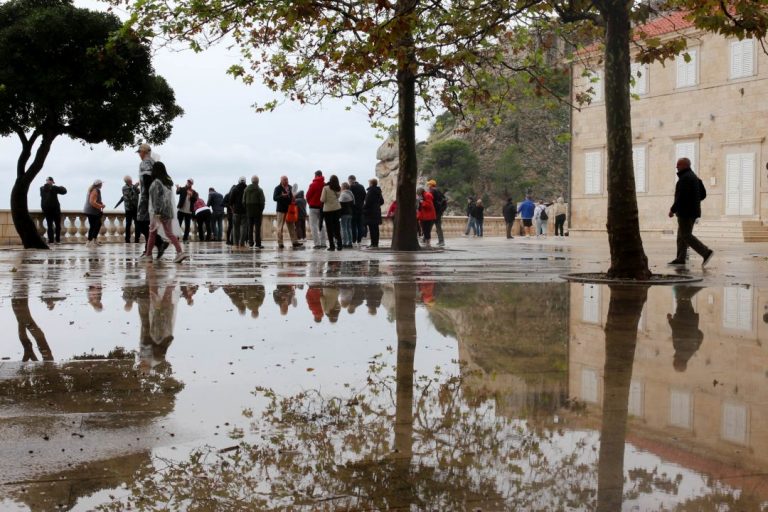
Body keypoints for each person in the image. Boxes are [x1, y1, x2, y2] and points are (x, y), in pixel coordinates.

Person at [668, 157, 714, 267]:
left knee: (686, 235)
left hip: (686, 212)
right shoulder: (694, 178)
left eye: (678, 165)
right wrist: (694, 202)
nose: (676, 167)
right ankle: (680, 258)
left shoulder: (685, 179)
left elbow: (681, 197)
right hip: (692, 211)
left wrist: (672, 210)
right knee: (681, 235)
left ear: (685, 166)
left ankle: (706, 252)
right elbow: (702, 195)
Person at [140, 162, 187, 263]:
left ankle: (149, 255)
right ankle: (179, 252)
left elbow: (155, 200)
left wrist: (157, 213)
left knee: (152, 233)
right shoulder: (167, 182)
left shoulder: (156, 183)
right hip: (168, 211)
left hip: (158, 212)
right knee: (168, 232)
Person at [135, 143, 167, 256]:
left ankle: (158, 242)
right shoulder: (154, 162)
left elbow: (148, 180)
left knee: (141, 223)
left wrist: (150, 200)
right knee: (149, 224)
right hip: (154, 197)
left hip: (146, 199)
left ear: (143, 152)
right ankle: (148, 250)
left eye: (139, 152)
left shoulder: (144, 163)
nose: (139, 154)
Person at [667, 286, 704, 372]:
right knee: (682, 299)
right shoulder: (678, 348)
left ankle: (686, 285)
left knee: (685, 300)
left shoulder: (694, 349)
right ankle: (698, 286)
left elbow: (701, 335)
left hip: (691, 319)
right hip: (681, 318)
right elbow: (676, 330)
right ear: (677, 361)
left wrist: (694, 329)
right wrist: (670, 320)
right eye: (674, 362)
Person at [274, 175, 301, 249]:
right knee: (280, 228)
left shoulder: (290, 187)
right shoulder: (278, 188)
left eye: (287, 179)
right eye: (285, 180)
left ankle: (294, 242)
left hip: (289, 210)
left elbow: (293, 197)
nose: (286, 181)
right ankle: (280, 243)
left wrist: (294, 199)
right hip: (281, 210)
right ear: (281, 181)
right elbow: (274, 198)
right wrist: (282, 196)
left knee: (291, 226)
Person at [40, 176, 67, 245]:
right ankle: (56, 240)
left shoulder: (42, 188)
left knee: (51, 226)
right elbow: (64, 191)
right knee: (57, 225)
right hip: (54, 209)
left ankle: (51, 241)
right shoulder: (54, 188)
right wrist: (61, 187)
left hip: (47, 209)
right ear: (52, 181)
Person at [321, 175, 343, 251]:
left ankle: (332, 246)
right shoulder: (338, 188)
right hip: (337, 209)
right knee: (337, 228)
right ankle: (340, 245)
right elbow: (338, 197)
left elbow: (322, 199)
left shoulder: (326, 188)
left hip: (327, 210)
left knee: (329, 229)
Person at [114, 176, 139, 243]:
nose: (131, 181)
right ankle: (127, 239)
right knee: (128, 224)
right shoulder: (124, 188)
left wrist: (135, 187)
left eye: (131, 180)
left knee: (137, 224)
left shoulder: (133, 186)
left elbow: (138, 192)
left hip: (136, 208)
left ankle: (137, 239)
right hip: (129, 208)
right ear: (127, 181)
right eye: (130, 180)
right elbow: (130, 197)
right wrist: (134, 187)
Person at [306, 170, 327, 249]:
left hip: (313, 207)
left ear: (315, 176)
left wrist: (310, 203)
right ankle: (323, 243)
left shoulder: (313, 184)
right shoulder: (325, 185)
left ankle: (317, 243)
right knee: (321, 225)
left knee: (313, 226)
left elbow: (308, 196)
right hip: (322, 207)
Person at [243, 175, 265, 248]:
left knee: (250, 227)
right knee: (257, 228)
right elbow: (262, 201)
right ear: (258, 181)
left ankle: (250, 243)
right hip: (257, 211)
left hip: (249, 211)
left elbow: (243, 201)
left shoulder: (246, 189)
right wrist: (261, 209)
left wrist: (246, 208)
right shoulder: (259, 190)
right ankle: (258, 243)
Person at [363, 178, 385, 248]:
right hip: (377, 211)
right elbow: (382, 201)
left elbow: (367, 202)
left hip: (370, 212)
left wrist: (363, 208)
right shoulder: (378, 191)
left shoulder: (370, 191)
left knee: (372, 228)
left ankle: (373, 243)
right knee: (376, 228)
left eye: (369, 183)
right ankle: (376, 243)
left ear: (371, 183)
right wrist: (376, 205)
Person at [83, 180, 105, 247]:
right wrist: (101, 206)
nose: (102, 185)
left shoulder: (93, 189)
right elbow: (92, 202)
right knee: (95, 225)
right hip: (92, 211)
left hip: (90, 211)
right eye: (101, 184)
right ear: (99, 184)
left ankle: (93, 240)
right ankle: (90, 241)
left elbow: (95, 200)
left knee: (96, 225)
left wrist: (100, 203)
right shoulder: (95, 190)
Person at [427, 179, 447, 247]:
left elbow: (431, 202)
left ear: (431, 185)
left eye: (429, 184)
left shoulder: (433, 191)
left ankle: (426, 239)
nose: (428, 186)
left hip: (434, 212)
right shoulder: (438, 191)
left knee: (428, 226)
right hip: (438, 212)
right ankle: (441, 241)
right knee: (438, 227)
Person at [348, 175, 367, 244]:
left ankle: (354, 239)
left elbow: (349, 198)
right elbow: (365, 197)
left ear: (350, 180)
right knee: (360, 225)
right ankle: (359, 239)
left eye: (349, 181)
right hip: (361, 208)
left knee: (353, 225)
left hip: (353, 209)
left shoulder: (351, 187)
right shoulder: (361, 186)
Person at [230, 177, 247, 247]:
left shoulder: (235, 189)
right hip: (245, 211)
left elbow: (230, 201)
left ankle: (236, 243)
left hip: (236, 211)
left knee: (235, 228)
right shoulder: (247, 188)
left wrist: (232, 210)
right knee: (244, 228)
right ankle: (242, 243)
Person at [339, 182, 355, 248]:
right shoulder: (351, 194)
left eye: (341, 186)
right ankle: (350, 242)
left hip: (344, 213)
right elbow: (353, 204)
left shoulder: (343, 194)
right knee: (349, 228)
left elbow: (339, 203)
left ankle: (345, 243)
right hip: (350, 213)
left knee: (344, 228)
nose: (341, 187)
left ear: (344, 187)